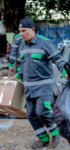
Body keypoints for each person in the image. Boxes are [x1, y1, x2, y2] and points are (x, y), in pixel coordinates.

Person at [15, 18, 69, 149]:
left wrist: (65, 73)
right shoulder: (22, 45)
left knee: (42, 111)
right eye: (20, 31)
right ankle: (43, 138)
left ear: (33, 30)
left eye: (24, 31)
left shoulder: (44, 43)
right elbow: (23, 65)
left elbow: (58, 59)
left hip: (43, 86)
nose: (21, 34)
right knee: (31, 115)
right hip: (28, 87)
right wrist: (15, 77)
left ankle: (56, 133)